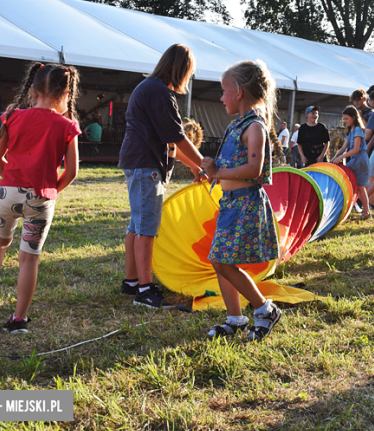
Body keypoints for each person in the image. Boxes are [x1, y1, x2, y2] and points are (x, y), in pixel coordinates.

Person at [0, 63, 82, 333]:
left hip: (7, 192)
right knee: (29, 258)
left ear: (33, 91)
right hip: (40, 198)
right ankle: (18, 319)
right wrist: (50, 190)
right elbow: (72, 171)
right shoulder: (68, 126)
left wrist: (9, 178)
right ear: (67, 93)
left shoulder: (13, 116)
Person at [201, 60, 282, 342]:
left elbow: (253, 170)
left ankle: (265, 309)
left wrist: (218, 172)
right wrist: (212, 170)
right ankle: (235, 318)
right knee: (220, 260)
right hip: (231, 203)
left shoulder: (255, 127)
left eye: (224, 91)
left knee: (223, 262)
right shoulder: (238, 125)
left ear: (238, 92)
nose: (221, 97)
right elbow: (229, 164)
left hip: (245, 204)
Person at [118, 44, 204, 308]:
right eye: (189, 73)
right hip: (146, 165)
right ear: (181, 69)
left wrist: (194, 167)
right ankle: (145, 290)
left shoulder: (150, 88)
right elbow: (176, 137)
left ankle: (132, 282)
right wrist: (204, 163)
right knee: (146, 228)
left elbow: (169, 142)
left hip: (138, 161)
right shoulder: (159, 92)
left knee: (137, 224)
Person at [332, 106, 371, 220]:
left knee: (360, 187)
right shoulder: (350, 131)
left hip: (360, 160)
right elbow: (344, 147)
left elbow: (356, 149)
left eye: (346, 119)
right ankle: (364, 212)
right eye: (344, 119)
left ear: (354, 118)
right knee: (358, 187)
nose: (345, 121)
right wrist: (335, 157)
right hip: (355, 160)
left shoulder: (358, 130)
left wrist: (340, 158)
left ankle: (366, 212)